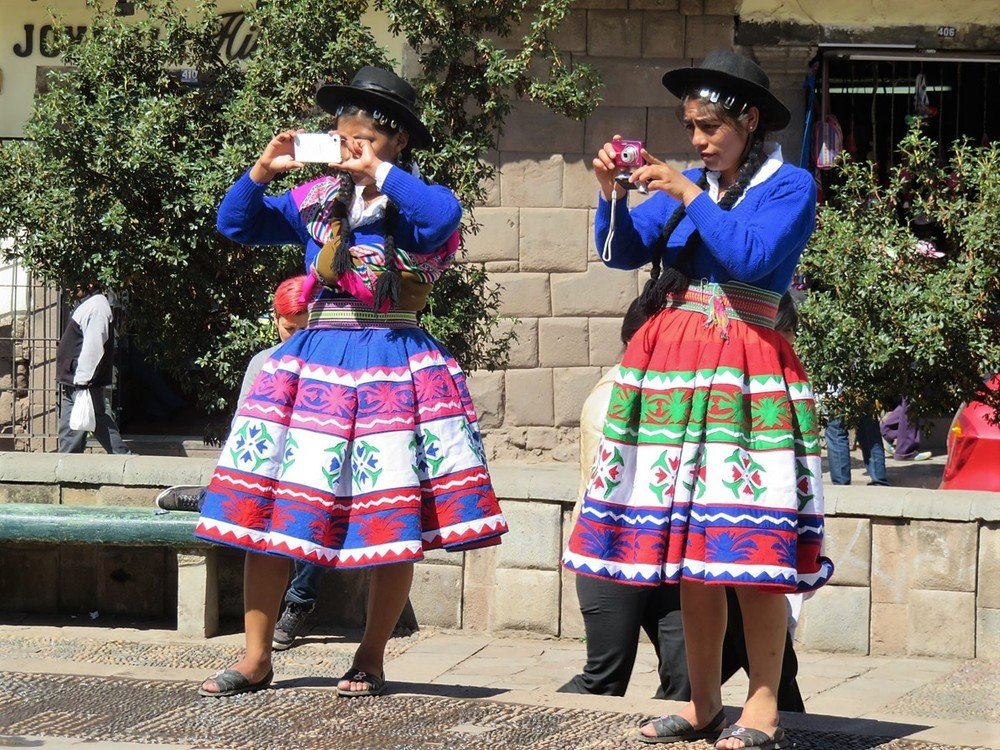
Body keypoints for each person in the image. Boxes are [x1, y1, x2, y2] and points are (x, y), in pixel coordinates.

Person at [193, 66, 507, 699]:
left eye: (369, 132)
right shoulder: (313, 201)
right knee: (275, 509)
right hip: (314, 367)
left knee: (388, 517)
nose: (353, 140)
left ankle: (369, 656)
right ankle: (256, 658)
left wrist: (380, 176)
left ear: (398, 142)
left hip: (391, 364)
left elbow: (444, 217)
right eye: (345, 129)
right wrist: (263, 168)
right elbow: (236, 224)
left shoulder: (411, 201)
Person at [562, 49, 834, 750]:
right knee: (693, 547)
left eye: (711, 125)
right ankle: (703, 703)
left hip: (746, 371)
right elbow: (623, 252)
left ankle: (764, 705)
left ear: (748, 120)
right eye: (691, 127)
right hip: (676, 375)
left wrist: (686, 194)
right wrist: (613, 195)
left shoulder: (791, 186)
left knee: (750, 544)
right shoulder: (694, 186)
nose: (698, 140)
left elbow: (748, 258)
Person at [559, 299, 690, 700]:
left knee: (688, 676)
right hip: (612, 550)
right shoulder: (611, 396)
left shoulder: (676, 388)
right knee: (605, 677)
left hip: (668, 554)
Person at [155, 275, 311, 513]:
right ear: (276, 320)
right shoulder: (262, 363)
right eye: (290, 329)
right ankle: (206, 497)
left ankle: (205, 497)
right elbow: (242, 426)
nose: (298, 338)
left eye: (306, 329)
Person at [55, 284, 131, 455]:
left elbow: (93, 346)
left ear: (91, 283)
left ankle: (69, 465)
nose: (74, 286)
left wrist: (82, 380)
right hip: (76, 379)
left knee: (77, 426)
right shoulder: (88, 304)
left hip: (82, 381)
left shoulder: (96, 306)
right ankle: (122, 457)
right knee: (87, 422)